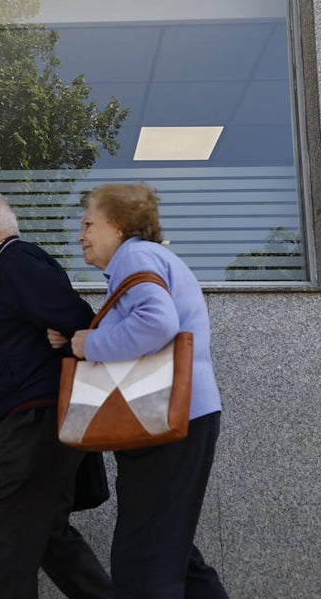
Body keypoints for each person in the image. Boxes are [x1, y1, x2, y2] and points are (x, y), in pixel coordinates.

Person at [49, 182, 228, 599]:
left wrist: (85, 345)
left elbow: (156, 323)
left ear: (119, 226)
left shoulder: (135, 255)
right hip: (182, 415)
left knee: (143, 562)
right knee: (173, 552)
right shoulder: (151, 259)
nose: (81, 235)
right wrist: (82, 335)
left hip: (166, 418)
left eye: (89, 223)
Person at [0, 192, 114, 599]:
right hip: (36, 418)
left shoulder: (16, 260)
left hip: (37, 418)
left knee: (7, 530)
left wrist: (67, 337)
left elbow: (78, 318)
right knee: (46, 535)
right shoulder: (5, 269)